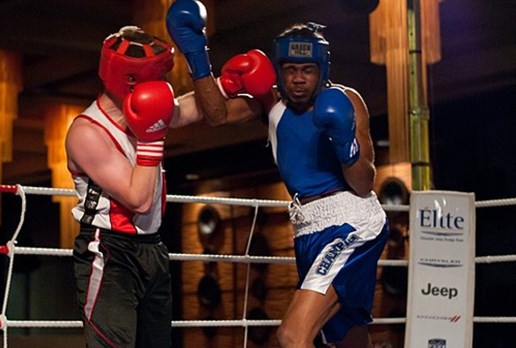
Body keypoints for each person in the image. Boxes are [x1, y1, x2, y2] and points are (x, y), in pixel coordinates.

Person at [166, 2, 390, 347]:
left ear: (322, 69)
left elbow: (364, 183)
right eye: (289, 69)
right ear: (278, 70)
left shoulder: (346, 101)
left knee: (292, 335)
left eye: (307, 69)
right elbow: (216, 114)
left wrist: (346, 146)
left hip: (352, 223)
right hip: (306, 228)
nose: (298, 79)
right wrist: (196, 53)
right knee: (348, 338)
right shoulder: (271, 104)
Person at [65, 25, 220, 348]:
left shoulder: (143, 108)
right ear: (131, 79)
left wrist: (228, 83)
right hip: (110, 252)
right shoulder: (86, 132)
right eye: (155, 77)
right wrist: (151, 140)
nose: (162, 86)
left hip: (153, 248)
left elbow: (191, 110)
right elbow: (138, 199)